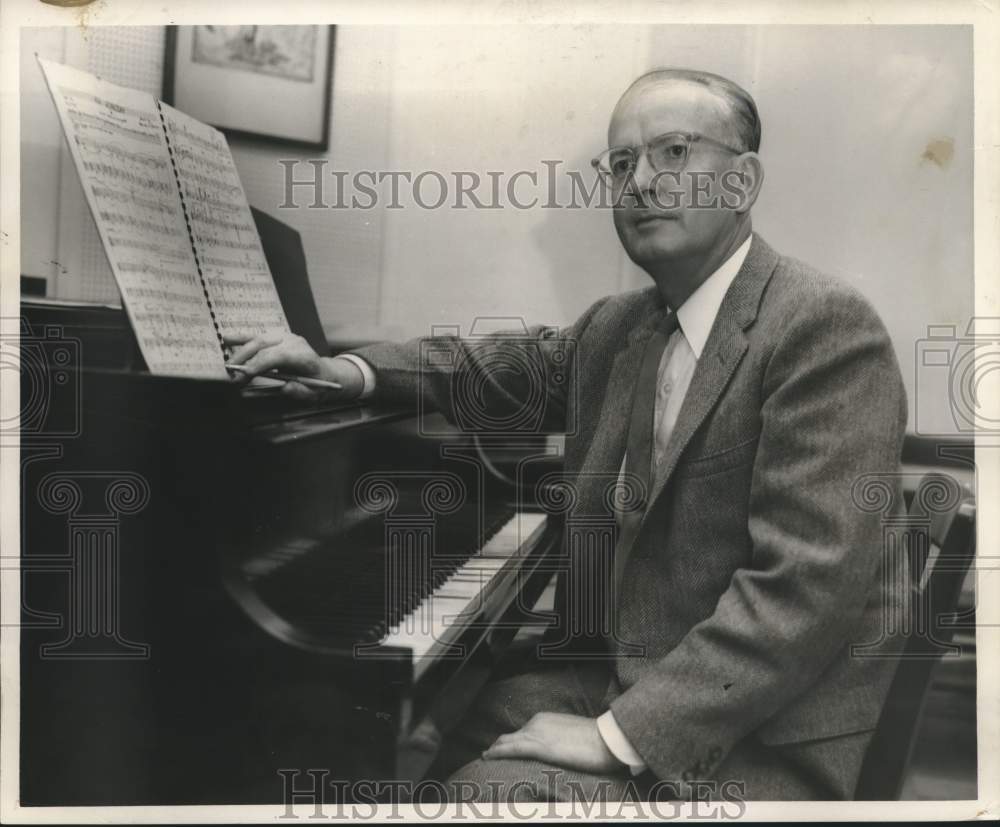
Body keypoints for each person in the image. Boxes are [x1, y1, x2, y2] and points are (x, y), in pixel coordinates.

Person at [228, 68, 908, 801]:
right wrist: (347, 371)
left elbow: (803, 595)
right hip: (634, 672)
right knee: (420, 754)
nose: (640, 182)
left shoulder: (824, 329)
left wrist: (618, 735)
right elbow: (487, 369)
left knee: (464, 785)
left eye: (673, 153)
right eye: (621, 163)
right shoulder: (625, 325)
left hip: (757, 734)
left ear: (742, 183)